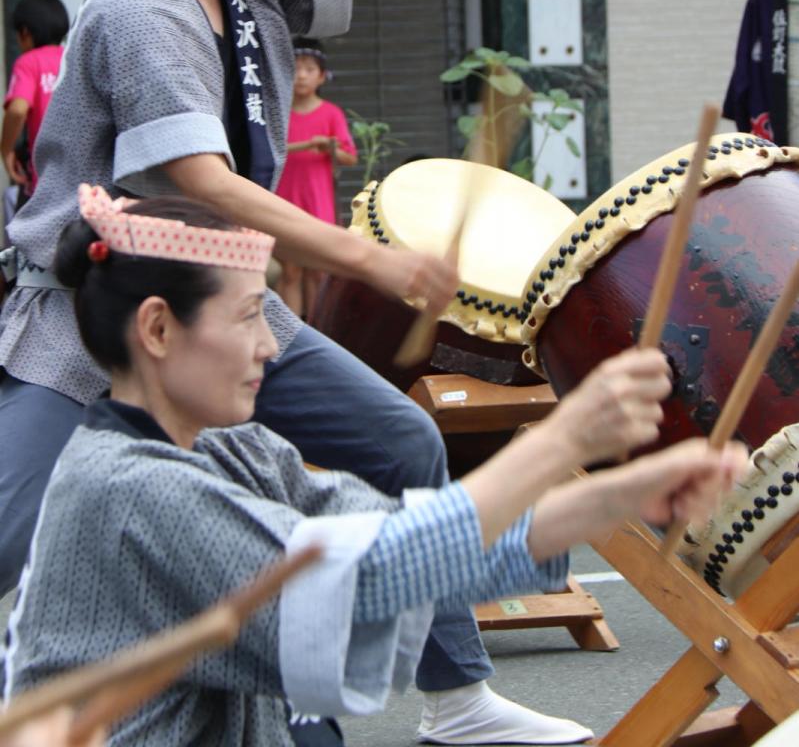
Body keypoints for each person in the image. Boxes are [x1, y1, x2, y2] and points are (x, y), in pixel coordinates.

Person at [0, 0, 583, 744]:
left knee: (401, 436)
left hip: (218, 301)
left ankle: (457, 704)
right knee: (12, 532)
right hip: (95, 314)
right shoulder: (137, 11)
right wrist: (377, 263)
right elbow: (208, 180)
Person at [3, 187, 746, 747]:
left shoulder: (235, 451)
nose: (270, 346)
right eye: (247, 316)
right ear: (159, 328)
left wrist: (616, 496)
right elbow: (372, 575)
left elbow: (411, 544)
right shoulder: (126, 491)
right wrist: (560, 443)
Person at [276, 37, 357, 317]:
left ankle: (317, 332)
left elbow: (349, 156)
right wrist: (308, 145)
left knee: (318, 274)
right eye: (295, 69)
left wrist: (329, 146)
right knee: (290, 271)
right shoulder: (278, 113)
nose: (301, 75)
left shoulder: (331, 113)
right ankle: (290, 339)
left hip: (317, 200)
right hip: (284, 200)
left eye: (309, 69)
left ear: (321, 76)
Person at [1, 0, 69, 200]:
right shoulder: (72, 57)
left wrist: (6, 149)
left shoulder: (28, 62)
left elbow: (18, 109)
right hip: (81, 182)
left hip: (44, 185)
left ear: (25, 32)